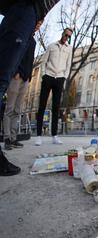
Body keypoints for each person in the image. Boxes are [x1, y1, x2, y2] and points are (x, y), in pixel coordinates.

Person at [0, 0, 61, 176]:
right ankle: (8, 138)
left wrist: (40, 16)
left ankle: (11, 138)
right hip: (26, 9)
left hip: (31, 13)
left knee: (15, 108)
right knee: (3, 86)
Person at [3, 20, 43, 150]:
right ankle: (7, 138)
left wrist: (29, 75)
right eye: (36, 23)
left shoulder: (33, 41)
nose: (37, 26)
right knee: (9, 109)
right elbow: (13, 54)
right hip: (16, 76)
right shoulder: (20, 35)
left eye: (39, 25)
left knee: (17, 110)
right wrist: (15, 71)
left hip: (26, 78)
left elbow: (30, 59)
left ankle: (14, 138)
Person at [35, 27, 73, 146]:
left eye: (69, 36)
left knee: (56, 107)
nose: (66, 38)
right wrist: (44, 75)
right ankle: (39, 136)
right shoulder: (52, 46)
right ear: (62, 34)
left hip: (59, 79)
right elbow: (44, 62)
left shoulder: (69, 49)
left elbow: (68, 64)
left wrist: (64, 77)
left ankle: (54, 135)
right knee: (42, 105)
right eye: (66, 35)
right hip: (48, 77)